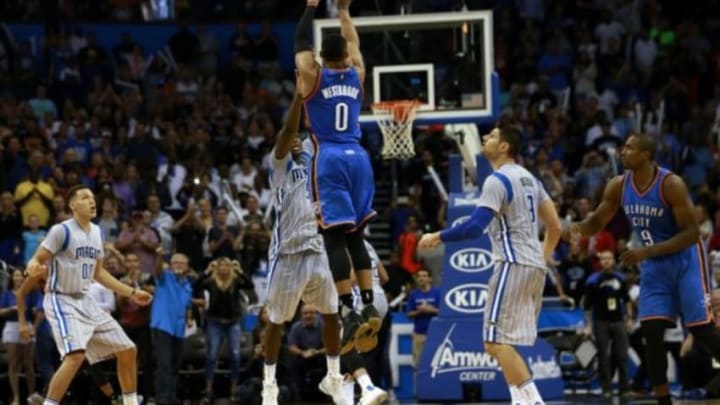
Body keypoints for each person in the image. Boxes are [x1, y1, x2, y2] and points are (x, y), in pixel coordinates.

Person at [565, 133, 720, 405]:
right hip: (654, 265)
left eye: (629, 148)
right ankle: (663, 402)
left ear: (646, 155)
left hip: (686, 261)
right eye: (623, 147)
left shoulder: (671, 185)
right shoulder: (617, 186)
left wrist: (646, 251)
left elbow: (692, 233)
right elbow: (597, 220)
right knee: (651, 333)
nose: (623, 152)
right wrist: (576, 228)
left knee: (701, 328)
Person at [418, 123, 562, 405]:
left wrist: (438, 235)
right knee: (500, 343)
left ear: (505, 146)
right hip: (533, 267)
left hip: (512, 263)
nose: (485, 137)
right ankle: (520, 401)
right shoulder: (531, 179)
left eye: (493, 135)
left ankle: (533, 402)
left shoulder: (497, 180)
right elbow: (555, 227)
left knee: (495, 342)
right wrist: (540, 258)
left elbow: (474, 228)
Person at [294, 0, 381, 354]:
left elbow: (299, 43)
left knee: (333, 236)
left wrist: (311, 7)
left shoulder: (313, 75)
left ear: (320, 57)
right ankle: (370, 302)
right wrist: (344, 11)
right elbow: (355, 41)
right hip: (359, 157)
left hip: (328, 157)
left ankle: (348, 310)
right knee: (356, 233)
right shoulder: (356, 72)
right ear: (346, 55)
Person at [15, 184, 153, 405]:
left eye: (92, 197)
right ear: (72, 205)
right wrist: (32, 266)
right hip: (61, 299)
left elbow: (99, 273)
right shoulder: (62, 230)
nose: (92, 201)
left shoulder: (97, 232)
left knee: (128, 350)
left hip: (84, 299)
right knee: (75, 356)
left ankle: (129, 403)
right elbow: (36, 259)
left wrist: (132, 292)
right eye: (85, 197)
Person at [260, 88, 346, 405]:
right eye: (294, 138)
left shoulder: (316, 157)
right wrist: (299, 96)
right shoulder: (279, 166)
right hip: (287, 254)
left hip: (317, 247)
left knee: (332, 312)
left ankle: (334, 376)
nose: (297, 140)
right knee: (276, 321)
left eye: (301, 137)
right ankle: (268, 384)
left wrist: (321, 91)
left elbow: (322, 130)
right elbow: (287, 131)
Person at [581, 250, 632, 397]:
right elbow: (587, 305)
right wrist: (588, 325)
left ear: (613, 261)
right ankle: (606, 388)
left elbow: (627, 300)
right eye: (603, 259)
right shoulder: (592, 280)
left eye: (609, 258)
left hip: (618, 320)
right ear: (600, 262)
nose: (607, 261)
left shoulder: (621, 278)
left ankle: (625, 388)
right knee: (603, 355)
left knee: (622, 355)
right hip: (600, 321)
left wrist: (629, 318)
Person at [1, 269, 41, 405]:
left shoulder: (32, 293)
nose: (19, 278)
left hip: (28, 325)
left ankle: (31, 395)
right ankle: (16, 397)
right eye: (16, 276)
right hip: (11, 326)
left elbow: (39, 310)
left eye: (21, 276)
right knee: (13, 364)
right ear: (12, 278)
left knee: (28, 363)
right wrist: (12, 308)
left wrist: (34, 318)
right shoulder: (6, 294)